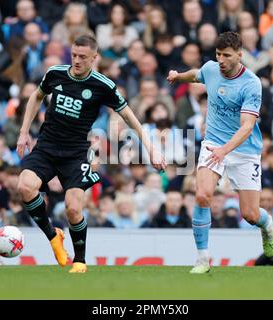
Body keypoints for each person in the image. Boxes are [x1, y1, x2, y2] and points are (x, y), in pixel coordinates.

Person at [16, 35, 166, 273]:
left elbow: (129, 116)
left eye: (82, 57)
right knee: (24, 186)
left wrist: (152, 148)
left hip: (76, 153)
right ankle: (53, 236)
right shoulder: (55, 73)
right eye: (74, 55)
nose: (76, 60)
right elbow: (36, 96)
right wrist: (24, 131)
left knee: (73, 208)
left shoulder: (102, 85)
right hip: (46, 147)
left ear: (94, 58)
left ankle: (80, 260)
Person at [167, 31, 273, 274]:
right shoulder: (211, 68)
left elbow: (247, 127)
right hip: (213, 142)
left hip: (243, 150)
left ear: (240, 55)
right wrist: (178, 77)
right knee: (202, 195)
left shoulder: (251, 83)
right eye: (218, 54)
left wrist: (224, 151)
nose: (221, 60)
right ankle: (202, 259)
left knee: (249, 214)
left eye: (227, 55)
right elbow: (196, 75)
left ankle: (266, 223)